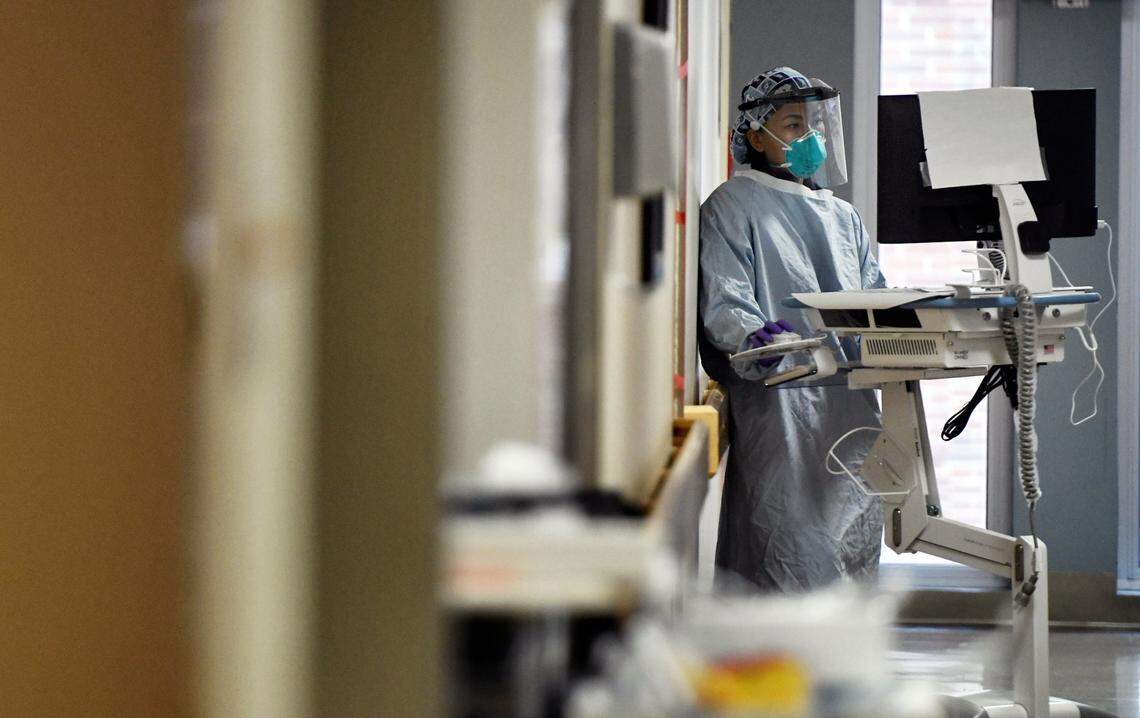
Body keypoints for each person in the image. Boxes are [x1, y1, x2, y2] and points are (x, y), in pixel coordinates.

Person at [698, 66, 888, 592]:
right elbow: (729, 311)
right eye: (792, 123)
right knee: (786, 552)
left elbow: (874, 299)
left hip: (850, 410)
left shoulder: (843, 216)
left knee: (851, 552)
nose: (810, 137)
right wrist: (773, 344)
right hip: (782, 409)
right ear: (755, 135)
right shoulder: (732, 206)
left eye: (815, 123)